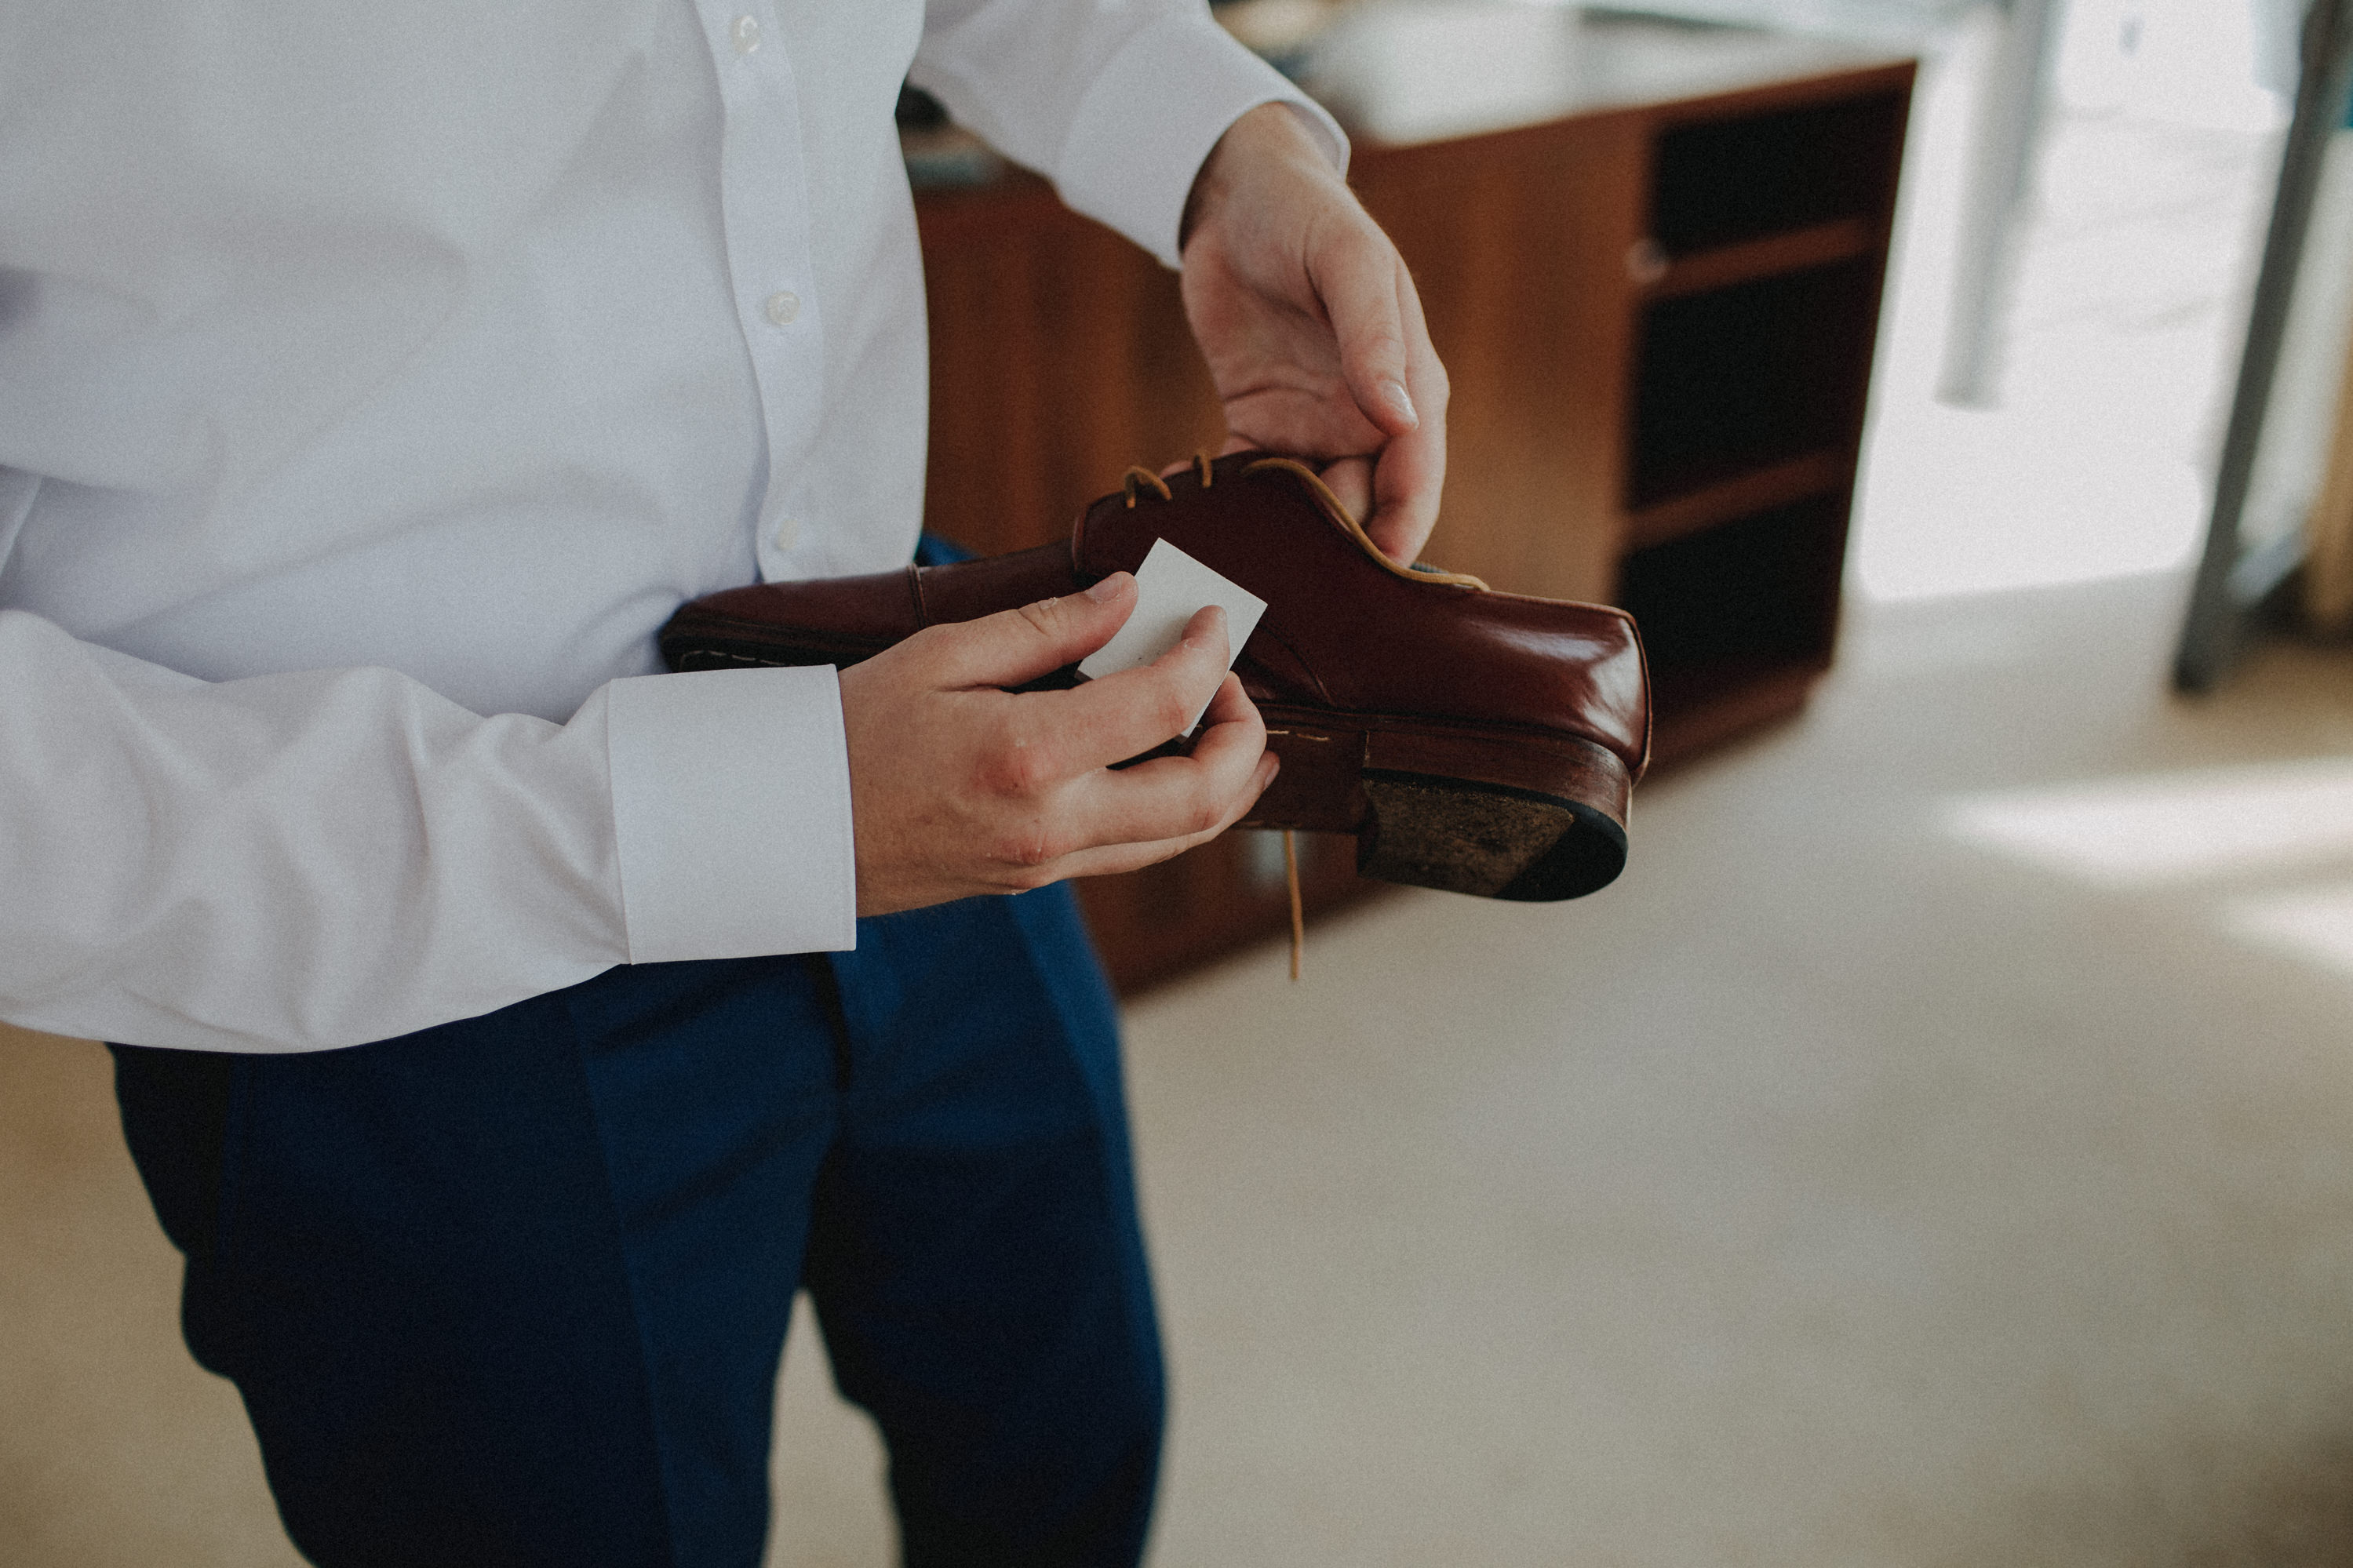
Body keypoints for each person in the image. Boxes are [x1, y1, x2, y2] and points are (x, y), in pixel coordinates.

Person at [0, 1, 1448, 1563]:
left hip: (912, 680)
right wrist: (739, 818)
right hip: (395, 953)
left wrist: (1218, 148)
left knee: (1068, 1441)